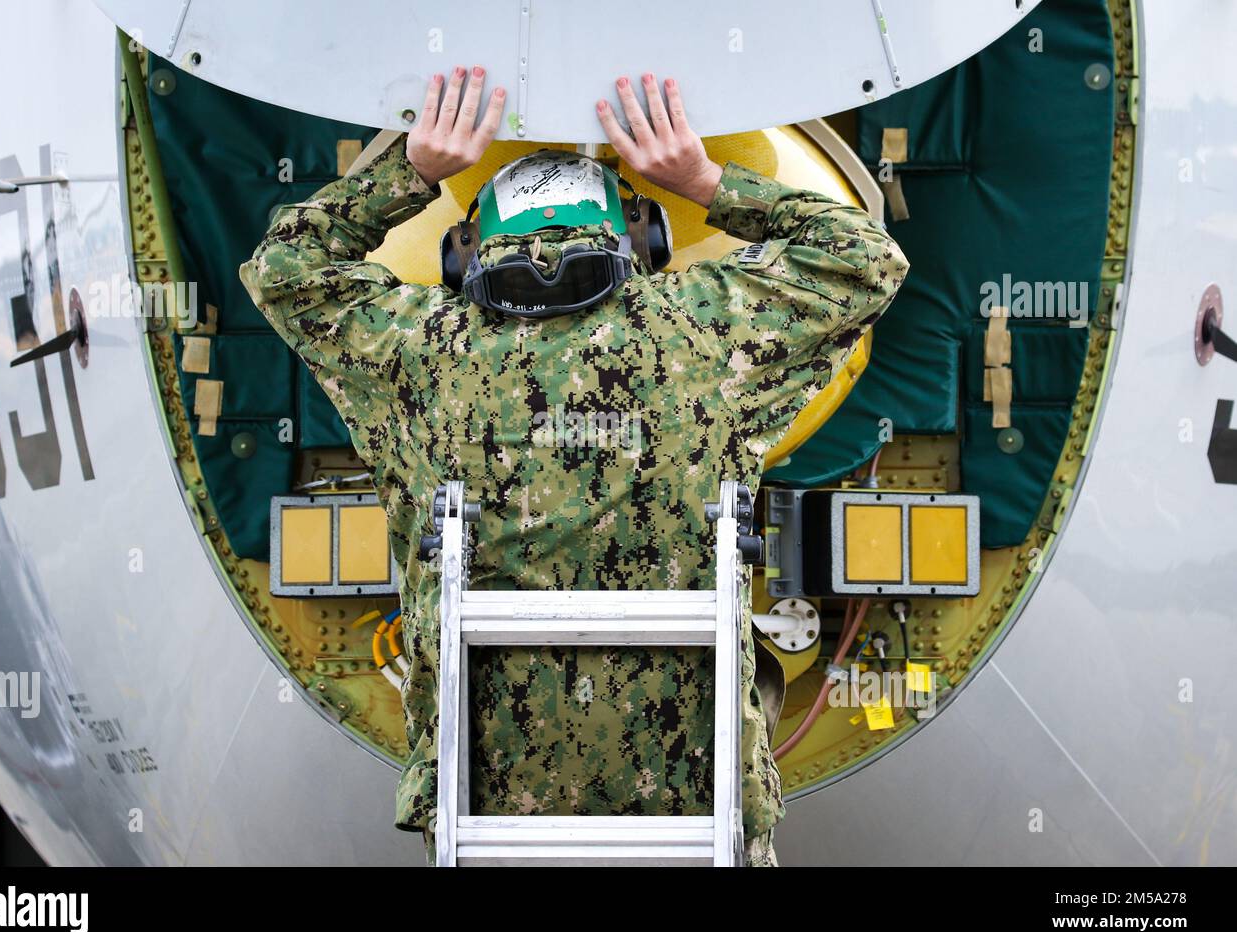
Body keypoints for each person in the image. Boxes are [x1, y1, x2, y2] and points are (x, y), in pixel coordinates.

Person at [240, 65, 909, 866]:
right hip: (691, 799)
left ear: (466, 255)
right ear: (642, 242)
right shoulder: (703, 337)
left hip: (488, 808)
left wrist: (411, 173)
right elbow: (867, 258)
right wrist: (702, 179)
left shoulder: (414, 357)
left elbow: (284, 271)